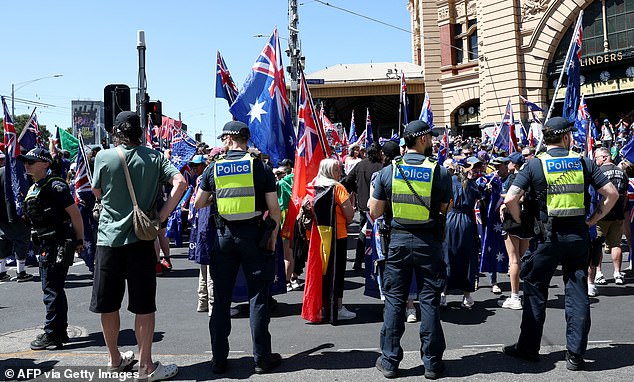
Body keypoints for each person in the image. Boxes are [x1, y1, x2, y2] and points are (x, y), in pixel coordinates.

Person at [503, 116, 618, 371]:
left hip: (547, 237)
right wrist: (593, 219)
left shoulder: (534, 165)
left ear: (547, 138)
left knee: (535, 290)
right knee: (577, 291)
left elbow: (510, 199)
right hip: (577, 236)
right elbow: (611, 194)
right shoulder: (584, 162)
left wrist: (521, 220)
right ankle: (575, 354)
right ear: (566, 137)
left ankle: (528, 348)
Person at [90, 112, 185, 380]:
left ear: (117, 133)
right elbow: (181, 183)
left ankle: (114, 359)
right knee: (144, 305)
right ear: (140, 132)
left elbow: (97, 192)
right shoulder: (155, 158)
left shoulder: (104, 157)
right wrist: (162, 215)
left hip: (108, 240)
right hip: (142, 240)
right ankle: (145, 366)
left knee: (108, 304)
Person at [194, 120, 282, 375]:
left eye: (223, 138)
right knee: (258, 298)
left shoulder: (213, 168)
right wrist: (273, 236)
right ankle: (261, 359)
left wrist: (217, 195)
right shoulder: (260, 167)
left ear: (230, 139)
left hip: (224, 237)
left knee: (221, 299)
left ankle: (218, 359)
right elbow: (274, 209)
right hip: (254, 236)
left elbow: (199, 203)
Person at [370, 120, 452, 379]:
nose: (433, 141)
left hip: (398, 242)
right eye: (430, 137)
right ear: (422, 140)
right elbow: (444, 208)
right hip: (429, 243)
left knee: (394, 302)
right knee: (429, 301)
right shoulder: (439, 172)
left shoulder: (388, 172)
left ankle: (390, 361)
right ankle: (431, 363)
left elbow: (374, 211)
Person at [16, 148, 84, 350]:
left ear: (45, 164)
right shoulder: (34, 186)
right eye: (25, 161)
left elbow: (75, 214)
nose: (27, 164)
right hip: (45, 243)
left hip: (57, 243)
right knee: (54, 289)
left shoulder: (55, 186)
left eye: (31, 161)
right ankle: (59, 331)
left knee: (51, 290)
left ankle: (52, 333)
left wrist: (79, 240)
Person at [443, 156, 484, 309]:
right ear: (465, 167)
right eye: (473, 168)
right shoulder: (468, 184)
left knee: (456, 256)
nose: (476, 171)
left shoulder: (459, 182)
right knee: (457, 256)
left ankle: (463, 295)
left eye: (478, 168)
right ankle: (447, 293)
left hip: (457, 220)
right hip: (460, 219)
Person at [342, 142, 384, 271]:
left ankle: (358, 260)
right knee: (378, 233)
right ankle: (377, 259)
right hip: (379, 206)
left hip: (363, 205)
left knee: (364, 232)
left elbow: (347, 181)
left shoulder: (360, 165)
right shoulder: (382, 167)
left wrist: (357, 190)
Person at [499, 152, 533, 310]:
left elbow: (515, 197)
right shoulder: (529, 176)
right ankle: (526, 293)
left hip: (513, 220)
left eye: (509, 163)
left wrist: (505, 203)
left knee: (514, 260)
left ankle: (514, 296)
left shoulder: (515, 178)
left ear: (515, 164)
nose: (507, 165)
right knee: (523, 259)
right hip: (526, 220)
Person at [592, 147, 628, 286]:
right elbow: (624, 193)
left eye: (598, 158)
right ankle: (617, 273)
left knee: (597, 244)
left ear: (605, 157)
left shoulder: (598, 172)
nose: (596, 160)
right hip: (618, 213)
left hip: (602, 214)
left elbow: (594, 194)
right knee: (615, 244)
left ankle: (599, 273)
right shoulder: (621, 172)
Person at [0, 151, 33, 283]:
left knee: (2, 241)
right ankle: (21, 272)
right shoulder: (18, 171)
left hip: (2, 214)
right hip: (17, 213)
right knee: (21, 240)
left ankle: (1, 271)